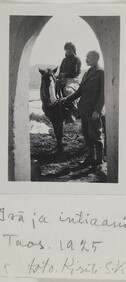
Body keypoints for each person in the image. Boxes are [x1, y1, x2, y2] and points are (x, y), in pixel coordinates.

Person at [61, 50, 104, 167]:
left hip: (94, 111)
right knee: (86, 134)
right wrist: (66, 99)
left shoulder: (101, 72)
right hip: (84, 110)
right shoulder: (86, 73)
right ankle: (91, 157)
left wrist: (98, 110)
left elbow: (103, 93)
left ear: (95, 58)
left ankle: (99, 161)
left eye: (88, 57)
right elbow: (79, 92)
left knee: (96, 135)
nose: (86, 59)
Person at [58, 42, 81, 123]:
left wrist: (64, 74)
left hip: (73, 80)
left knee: (68, 90)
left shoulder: (76, 59)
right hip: (63, 79)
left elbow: (75, 73)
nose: (68, 51)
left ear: (73, 50)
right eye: (67, 49)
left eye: (70, 49)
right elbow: (60, 72)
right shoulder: (64, 60)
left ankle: (74, 111)